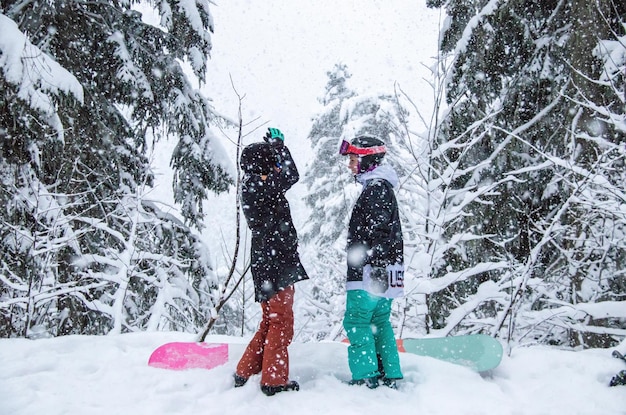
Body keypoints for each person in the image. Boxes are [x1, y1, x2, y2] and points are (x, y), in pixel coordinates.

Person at [233, 127, 309, 396]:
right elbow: (291, 174)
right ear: (263, 166)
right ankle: (273, 381)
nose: (276, 165)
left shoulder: (253, 185)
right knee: (281, 322)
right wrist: (279, 147)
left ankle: (247, 370)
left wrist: (275, 151)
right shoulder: (262, 185)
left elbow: (284, 175)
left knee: (270, 320)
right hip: (276, 262)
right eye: (271, 161)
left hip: (265, 262)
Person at [338, 135, 405, 389]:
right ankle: (390, 372)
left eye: (354, 159)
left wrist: (374, 267)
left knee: (357, 320)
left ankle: (366, 376)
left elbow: (379, 231)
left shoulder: (376, 188)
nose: (350, 165)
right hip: (387, 269)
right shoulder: (382, 186)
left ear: (367, 160)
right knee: (380, 321)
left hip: (370, 271)